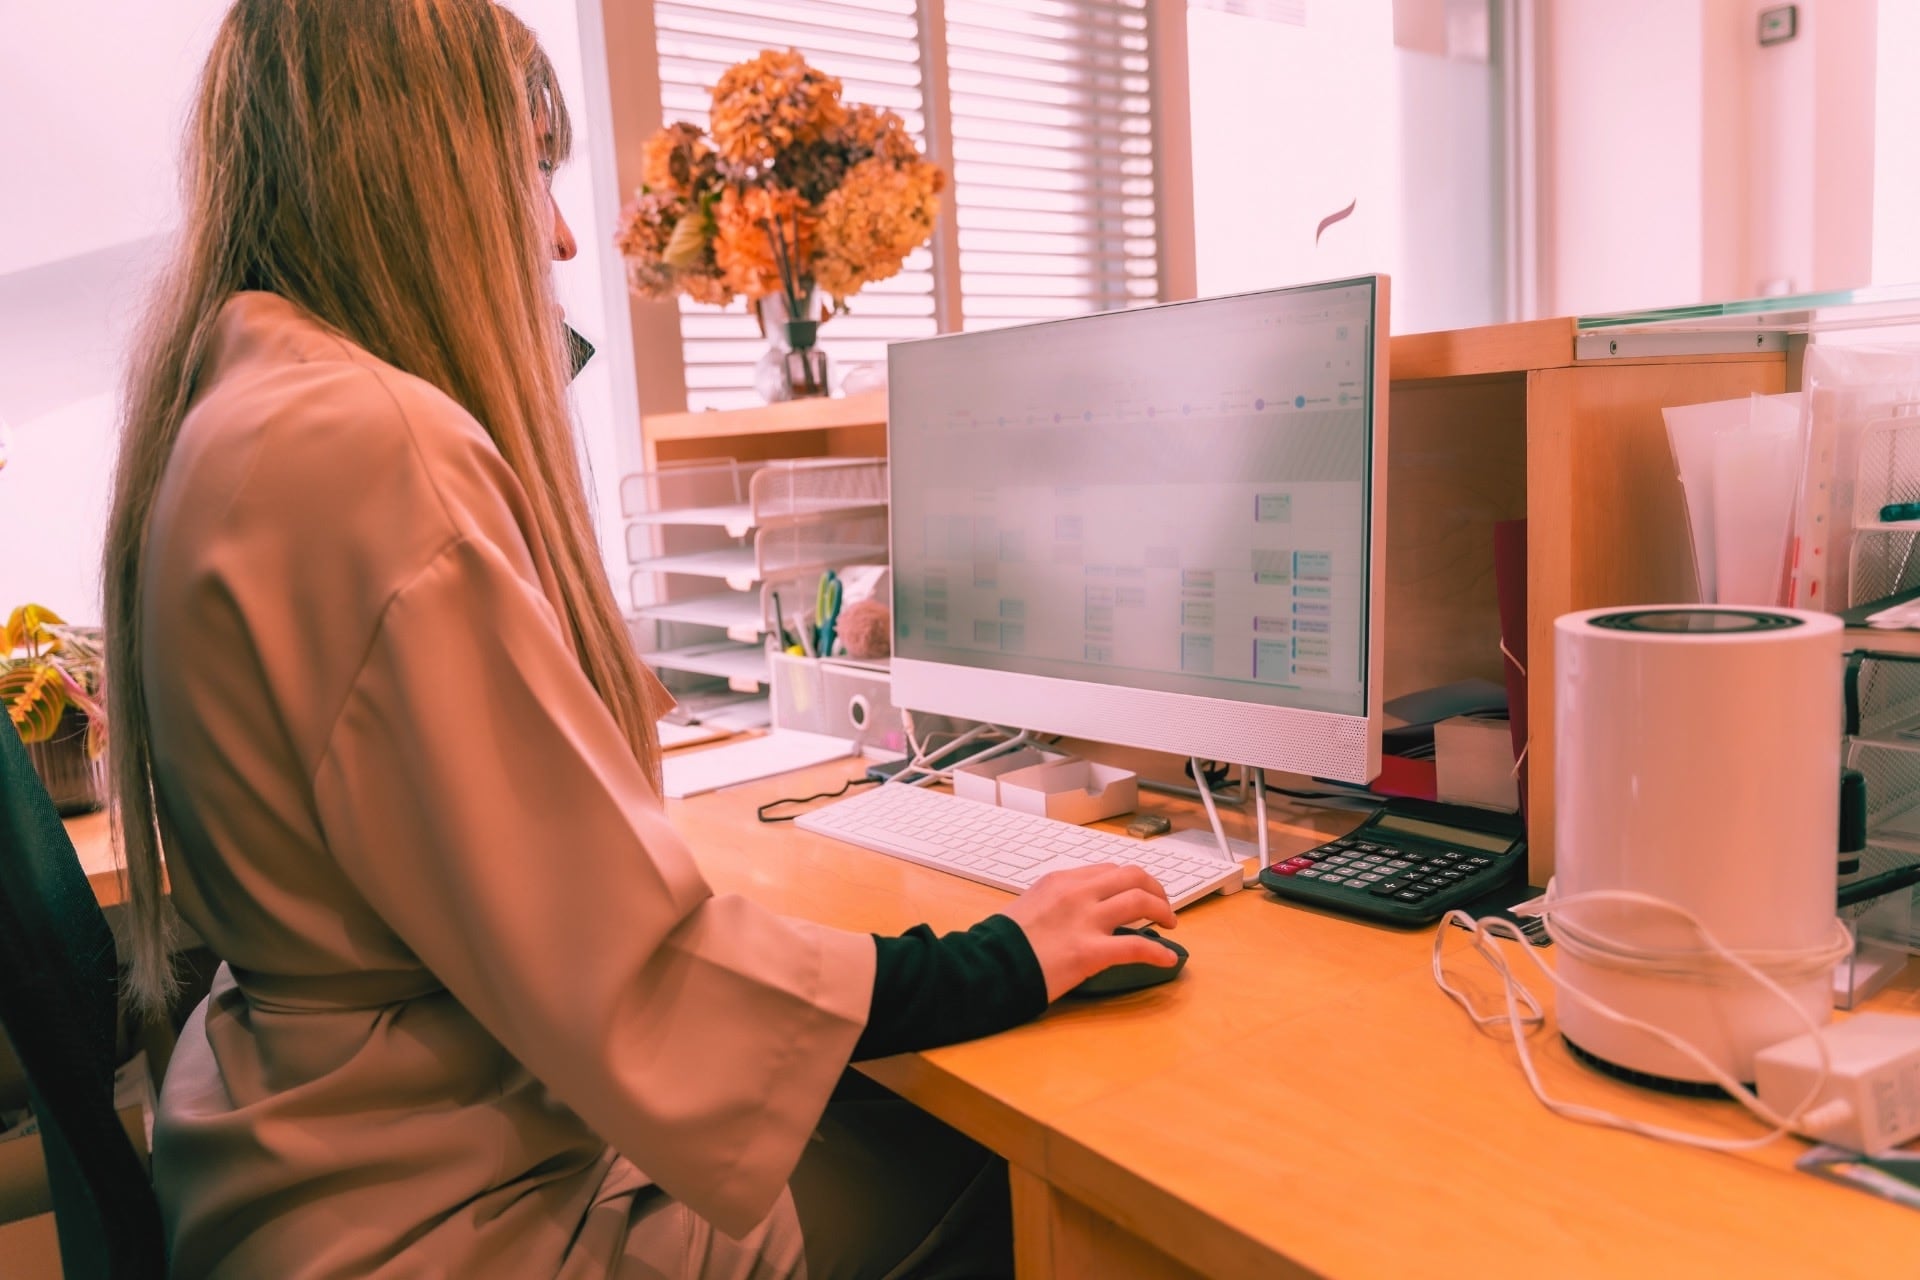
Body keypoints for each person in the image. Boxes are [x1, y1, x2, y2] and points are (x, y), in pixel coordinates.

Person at [100, 2, 1180, 1275]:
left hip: (309, 1154)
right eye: (530, 168)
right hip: (440, 1219)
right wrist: (1005, 954)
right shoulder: (366, 445)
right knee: (1027, 1176)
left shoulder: (239, 408)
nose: (558, 234)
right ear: (423, 172)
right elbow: (641, 972)